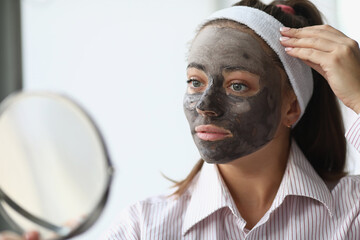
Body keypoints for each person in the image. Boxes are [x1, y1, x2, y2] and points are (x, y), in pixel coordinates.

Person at [1, 0, 360, 239]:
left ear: (291, 107)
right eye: (195, 81)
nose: (205, 104)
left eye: (237, 85)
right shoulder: (145, 227)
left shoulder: (351, 213)